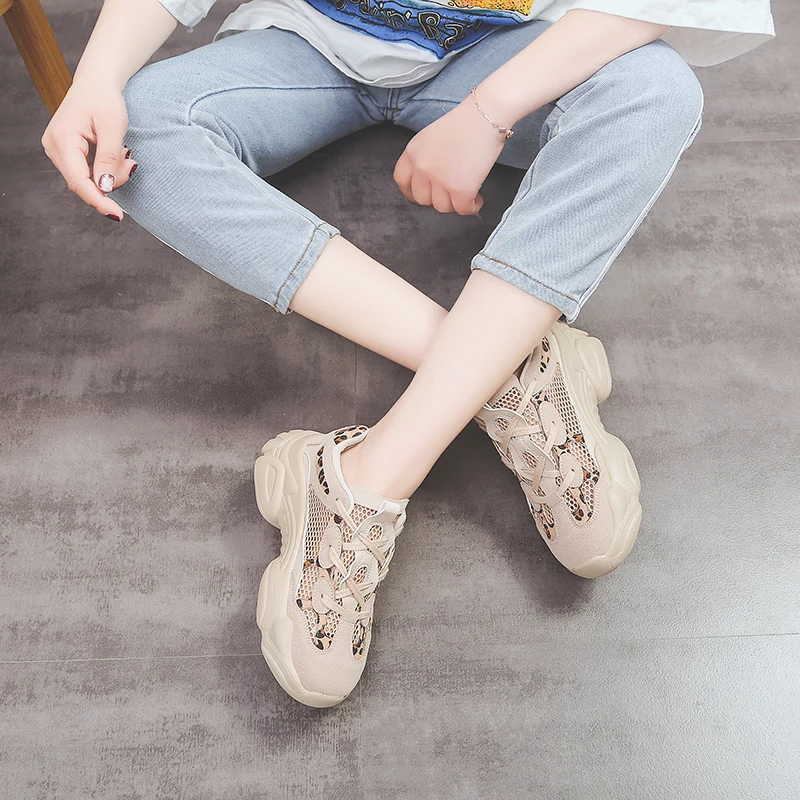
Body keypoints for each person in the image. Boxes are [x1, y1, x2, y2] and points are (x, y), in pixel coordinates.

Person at [42, 0, 774, 707]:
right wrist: (95, 78)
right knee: (139, 134)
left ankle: (366, 475)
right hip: (307, 42)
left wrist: (490, 110)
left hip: (504, 51)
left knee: (655, 89)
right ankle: (508, 373)